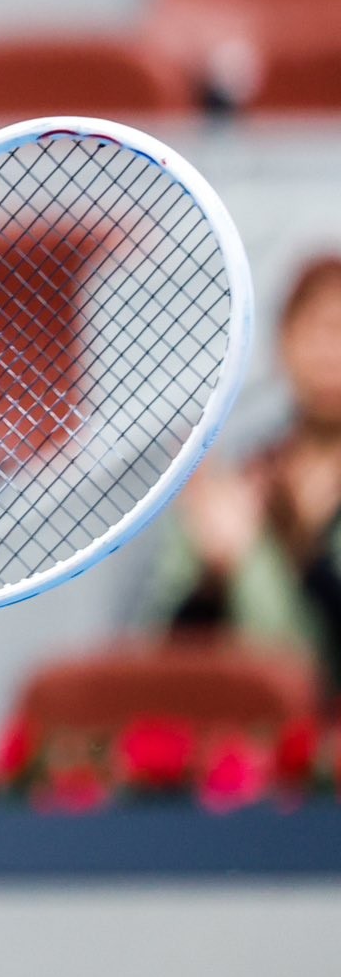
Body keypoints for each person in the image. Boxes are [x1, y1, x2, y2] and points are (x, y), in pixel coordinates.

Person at [147, 252, 341, 690]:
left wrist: (307, 556)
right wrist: (212, 575)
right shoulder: (231, 489)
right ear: (283, 344)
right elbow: (163, 660)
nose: (331, 352)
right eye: (316, 330)